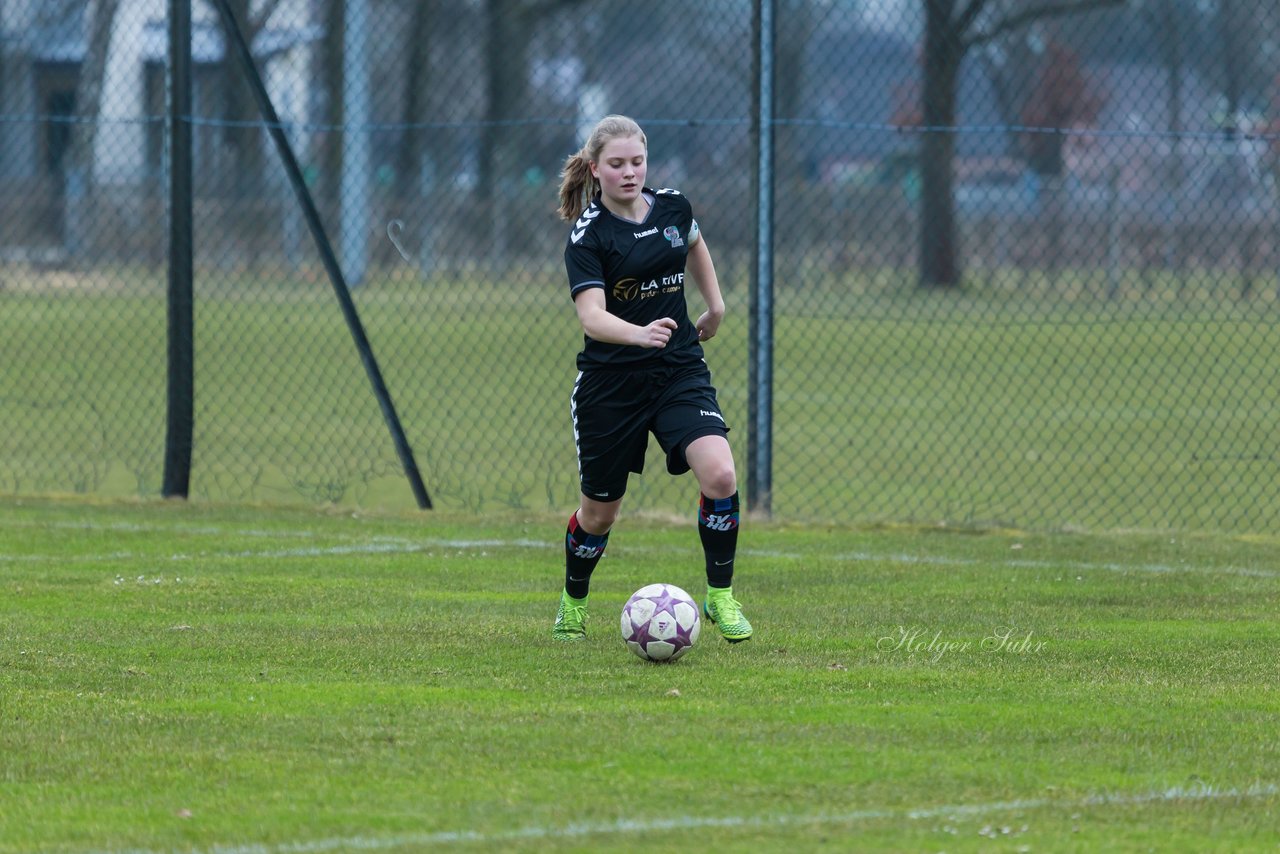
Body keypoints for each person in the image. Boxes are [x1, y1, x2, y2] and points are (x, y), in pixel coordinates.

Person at [551, 114, 752, 644]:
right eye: (616, 164)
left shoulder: (672, 205)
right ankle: (573, 602)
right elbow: (591, 316)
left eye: (637, 161)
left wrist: (716, 305)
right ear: (595, 169)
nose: (629, 172)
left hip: (677, 368)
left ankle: (721, 597)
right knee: (599, 514)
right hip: (610, 386)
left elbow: (693, 244)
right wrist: (639, 334)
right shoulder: (588, 236)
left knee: (721, 475)